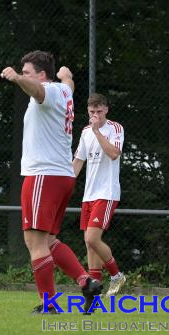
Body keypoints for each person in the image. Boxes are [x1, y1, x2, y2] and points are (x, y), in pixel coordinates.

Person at [0, 50, 102, 314]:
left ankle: (49, 305)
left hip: (44, 175)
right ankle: (87, 282)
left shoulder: (48, 92)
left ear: (42, 76)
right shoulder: (64, 91)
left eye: (27, 73)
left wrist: (16, 79)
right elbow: (68, 83)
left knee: (34, 242)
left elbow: (37, 90)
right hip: (60, 175)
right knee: (48, 241)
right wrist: (66, 75)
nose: (24, 77)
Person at [73, 93, 126, 298]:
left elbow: (113, 153)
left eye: (99, 111)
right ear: (88, 111)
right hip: (89, 195)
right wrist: (64, 184)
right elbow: (78, 162)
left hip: (107, 192)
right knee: (89, 243)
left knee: (92, 238)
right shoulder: (85, 132)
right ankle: (94, 291)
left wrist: (97, 131)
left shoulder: (115, 128)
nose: (95, 115)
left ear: (106, 109)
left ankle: (117, 275)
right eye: (91, 112)